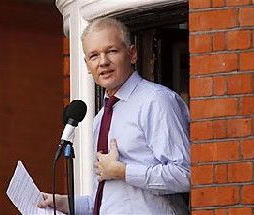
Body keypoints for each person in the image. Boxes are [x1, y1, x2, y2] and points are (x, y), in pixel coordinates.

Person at [38, 17, 190, 214]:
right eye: (94, 56)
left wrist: (124, 172)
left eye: (112, 51)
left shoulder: (156, 101)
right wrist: (64, 203)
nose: (103, 62)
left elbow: (185, 174)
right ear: (87, 65)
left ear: (132, 54)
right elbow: (107, 203)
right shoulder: (101, 116)